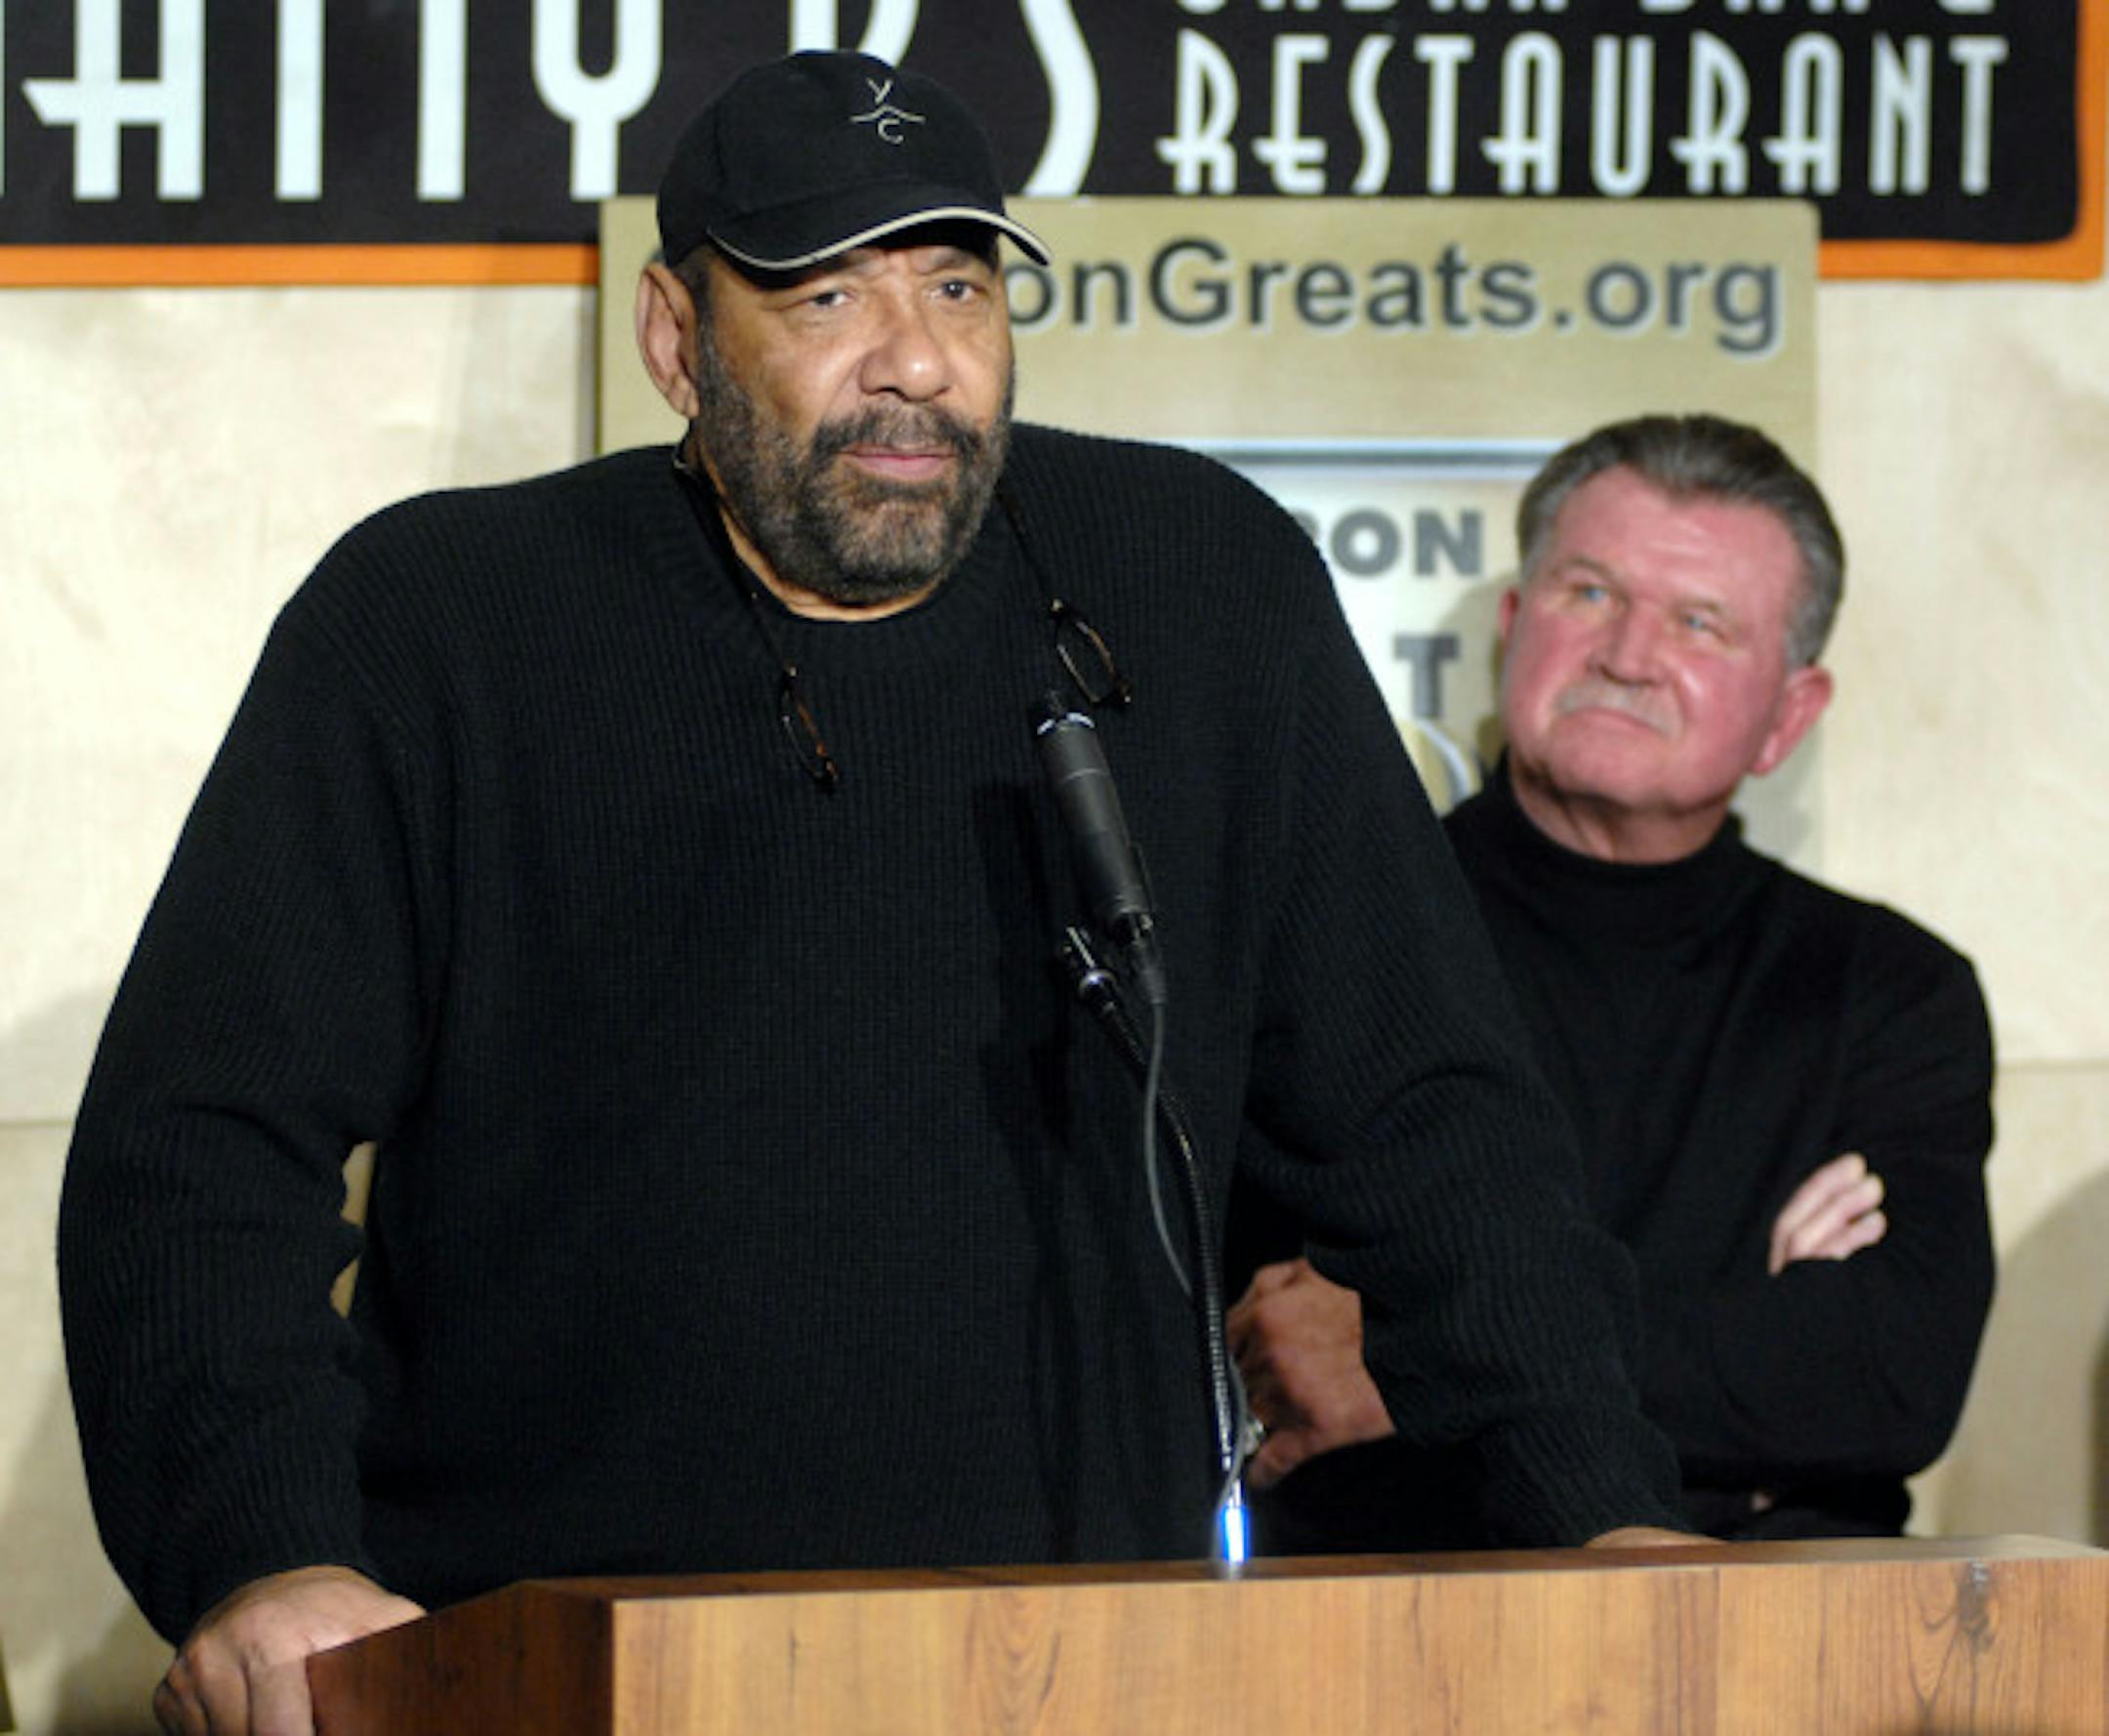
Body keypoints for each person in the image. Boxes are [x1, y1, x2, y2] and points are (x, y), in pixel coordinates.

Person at [60, 51, 1689, 1736]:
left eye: (960, 286)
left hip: (1093, 1663)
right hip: (554, 1662)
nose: (915, 362)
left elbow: (1436, 1116)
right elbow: (197, 1147)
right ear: (677, 341)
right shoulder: (436, 624)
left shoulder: (1205, 583)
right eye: (827, 292)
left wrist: (1595, 1496)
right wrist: (264, 1554)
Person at [1225, 413, 1995, 1550]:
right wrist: (1749, 1335)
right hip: (1395, 1638)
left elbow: (1889, 1376)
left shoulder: (1887, 990)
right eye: (1589, 593)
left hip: (1777, 1660)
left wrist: (1420, 1357)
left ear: (1790, 713)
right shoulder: (1328, 941)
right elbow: (1276, 1348)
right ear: (1512, 626)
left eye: (1699, 623)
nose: (1628, 654)